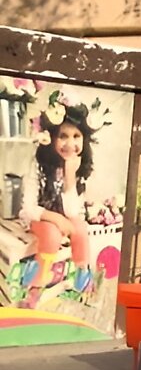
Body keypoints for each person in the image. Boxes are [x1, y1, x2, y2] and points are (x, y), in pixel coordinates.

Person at [20, 107, 97, 303]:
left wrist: (70, 175)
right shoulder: (39, 165)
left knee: (80, 228)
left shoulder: (80, 167)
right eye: (63, 136)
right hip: (39, 216)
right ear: (52, 137)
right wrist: (55, 218)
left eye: (76, 136)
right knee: (53, 234)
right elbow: (28, 207)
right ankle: (35, 286)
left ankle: (82, 276)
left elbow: (72, 212)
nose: (70, 144)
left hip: (65, 218)